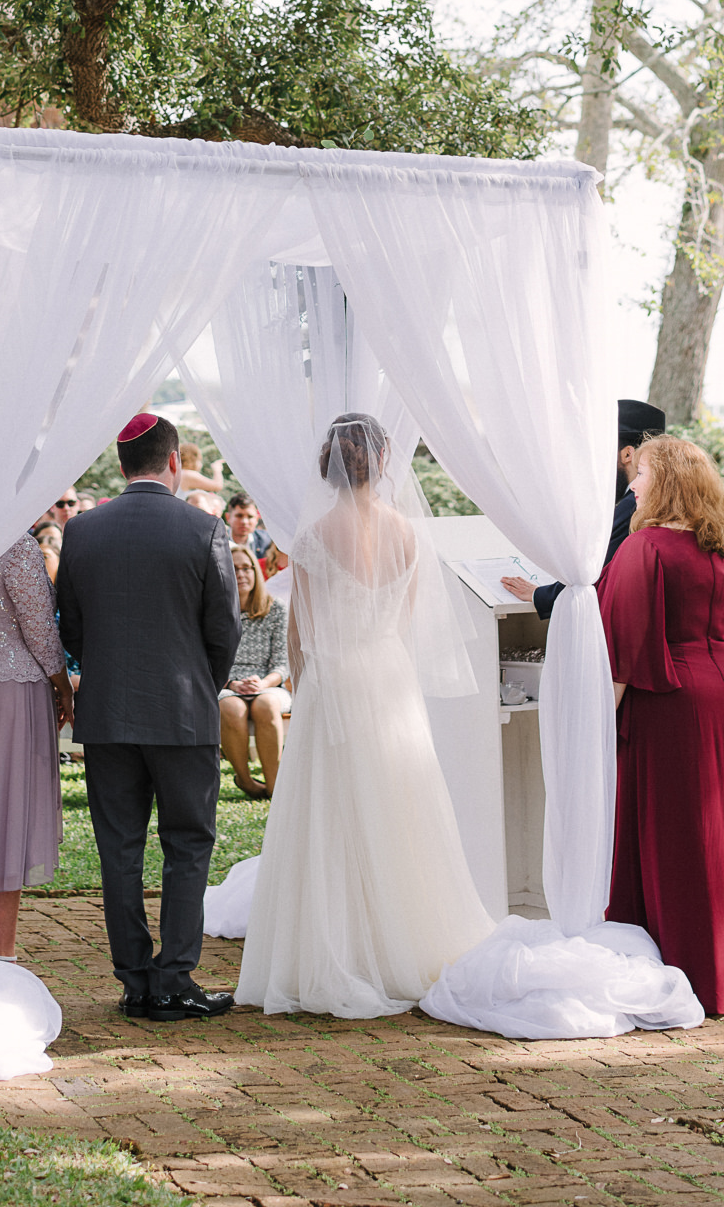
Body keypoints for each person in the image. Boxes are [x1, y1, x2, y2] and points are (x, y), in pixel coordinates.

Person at [236, 414, 491, 1018]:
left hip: (335, 677)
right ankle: (402, 939)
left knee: (332, 810)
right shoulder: (406, 531)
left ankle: (341, 948)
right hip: (389, 673)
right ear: (382, 463)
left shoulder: (315, 534)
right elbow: (403, 616)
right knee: (398, 807)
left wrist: (305, 682)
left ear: (327, 466)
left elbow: (301, 633)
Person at [56, 412, 241, 1023]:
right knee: (187, 843)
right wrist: (198, 684)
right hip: (184, 711)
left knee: (120, 847)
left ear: (120, 463)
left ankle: (135, 979)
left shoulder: (82, 532)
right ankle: (176, 977)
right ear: (175, 463)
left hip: (108, 712)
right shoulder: (203, 528)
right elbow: (224, 630)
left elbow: (72, 624)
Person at [598, 435, 724, 1016]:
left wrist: (600, 721)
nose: (633, 484)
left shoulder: (644, 548)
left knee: (676, 833)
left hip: (670, 699)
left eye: (644, 473)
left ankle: (693, 972)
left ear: (667, 483)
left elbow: (625, 646)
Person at [0, 533, 74, 961]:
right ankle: (3, 950)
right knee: (6, 812)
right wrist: (63, 685)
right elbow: (39, 629)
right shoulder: (16, 544)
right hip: (14, 689)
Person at [502, 398, 664, 616]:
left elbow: (595, 571)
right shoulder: (657, 499)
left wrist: (538, 595)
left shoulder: (635, 505)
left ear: (628, 454)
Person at [220, 545, 290, 798]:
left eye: (246, 568)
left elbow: (283, 664)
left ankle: (274, 787)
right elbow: (207, 662)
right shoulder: (214, 612)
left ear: (255, 572)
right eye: (234, 568)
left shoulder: (277, 609)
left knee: (266, 705)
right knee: (232, 708)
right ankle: (246, 780)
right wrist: (232, 684)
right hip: (226, 685)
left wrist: (262, 684)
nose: (241, 574)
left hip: (268, 683)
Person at [224, 494, 271, 560]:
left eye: (250, 517)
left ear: (257, 519)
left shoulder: (266, 542)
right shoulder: (219, 541)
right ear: (228, 517)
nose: (244, 522)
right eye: (239, 516)